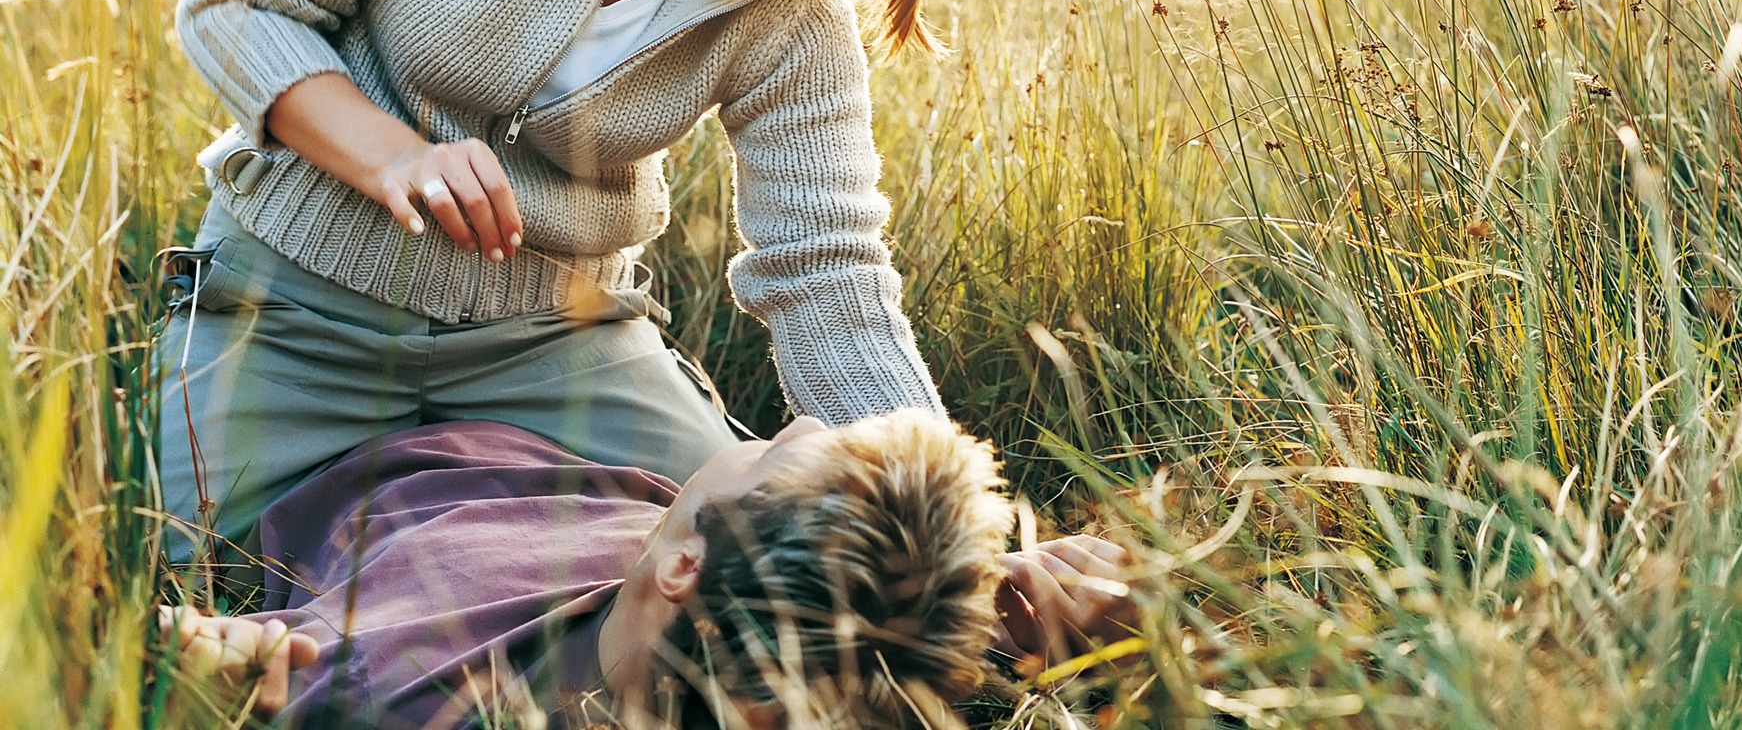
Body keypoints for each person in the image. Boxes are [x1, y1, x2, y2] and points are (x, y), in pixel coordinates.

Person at [157, 0, 988, 571]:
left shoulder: (799, 12)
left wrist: (954, 538)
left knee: (735, 574)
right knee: (216, 570)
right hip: (297, 317)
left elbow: (828, 268)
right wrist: (393, 157)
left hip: (557, 349)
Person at [155, 411, 1135, 728]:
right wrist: (994, 592)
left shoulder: (390, 683)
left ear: (687, 563)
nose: (791, 421)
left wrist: (218, 659)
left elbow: (226, 661)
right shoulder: (768, 640)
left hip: (377, 457)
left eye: (767, 452)